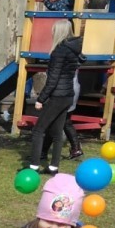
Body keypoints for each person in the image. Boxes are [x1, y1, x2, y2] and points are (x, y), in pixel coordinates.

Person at [29, 19, 83, 174]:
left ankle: (33, 166)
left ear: (58, 32)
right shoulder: (74, 50)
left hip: (57, 96)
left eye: (53, 31)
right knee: (57, 133)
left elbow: (53, 79)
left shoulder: (59, 51)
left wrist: (41, 99)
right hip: (68, 95)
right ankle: (53, 167)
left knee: (38, 130)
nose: (52, 33)